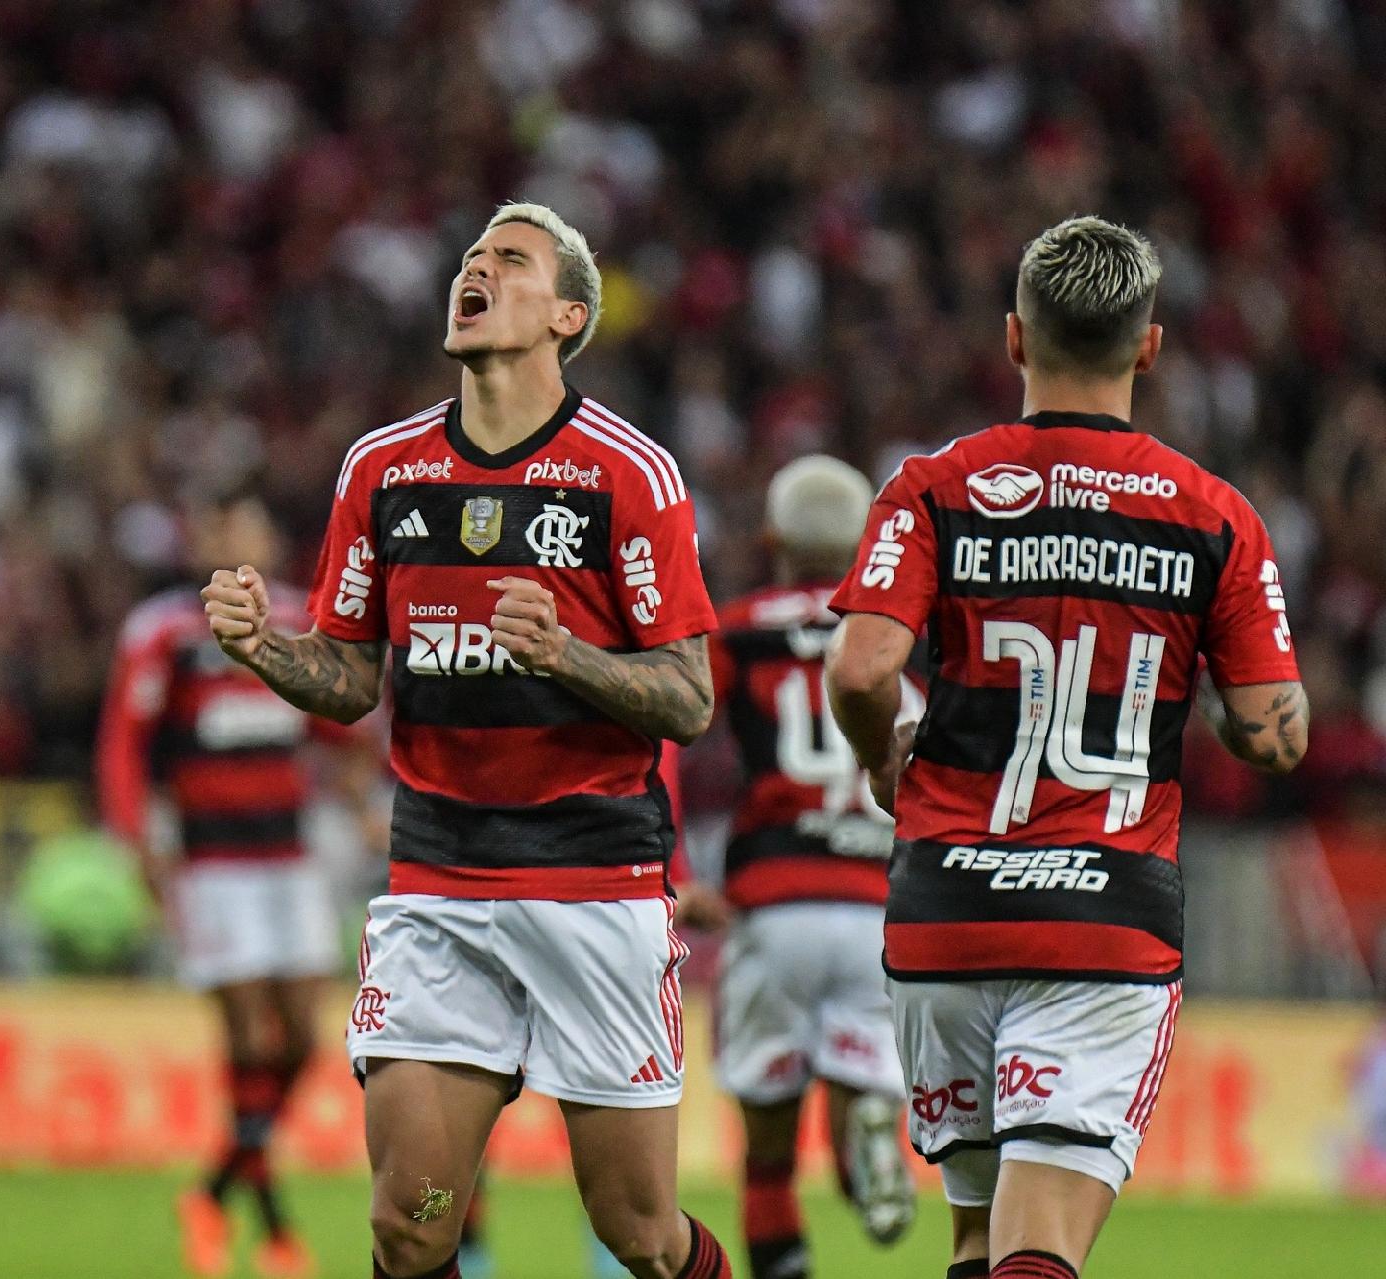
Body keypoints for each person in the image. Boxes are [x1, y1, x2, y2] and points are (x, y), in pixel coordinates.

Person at [202, 202, 733, 1279]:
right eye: (471, 258)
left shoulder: (627, 472)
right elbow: (351, 680)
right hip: (438, 883)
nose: (476, 271)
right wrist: (266, 648)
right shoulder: (384, 469)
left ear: (567, 315)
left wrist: (567, 656)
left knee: (640, 1232)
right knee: (410, 1225)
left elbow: (690, 696)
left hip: (596, 886)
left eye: (512, 261)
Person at [823, 216, 1309, 1279]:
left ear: (1013, 340)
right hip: (1101, 920)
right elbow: (1275, 733)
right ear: (1149, 348)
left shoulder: (935, 487)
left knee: (978, 1236)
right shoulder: (1214, 516)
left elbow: (860, 670)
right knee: (1038, 1248)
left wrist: (879, 757)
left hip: (945, 908)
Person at [100, 488, 370, 1279]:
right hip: (211, 865)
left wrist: (355, 779)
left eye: (253, 525)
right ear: (206, 537)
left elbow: (332, 719)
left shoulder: (299, 618)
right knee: (253, 1039)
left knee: (303, 1044)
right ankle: (275, 1227)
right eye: (226, 524)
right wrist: (138, 840)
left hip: (289, 858)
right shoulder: (166, 631)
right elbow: (124, 744)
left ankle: (215, 1192)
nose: (239, 539)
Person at [706, 455, 920, 1279]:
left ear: (773, 538)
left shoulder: (740, 628)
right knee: (855, 1105)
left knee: (766, 1153)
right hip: (875, 903)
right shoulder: (896, 635)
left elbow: (679, 724)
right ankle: (870, 1120)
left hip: (775, 895)